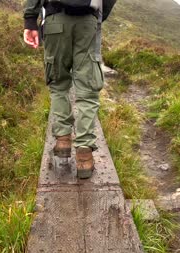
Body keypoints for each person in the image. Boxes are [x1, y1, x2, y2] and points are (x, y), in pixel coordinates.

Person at [23, 0, 116, 179]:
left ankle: (63, 141)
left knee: (58, 85)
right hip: (87, 21)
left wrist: (30, 19)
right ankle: (84, 155)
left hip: (55, 19)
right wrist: (98, 15)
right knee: (88, 90)